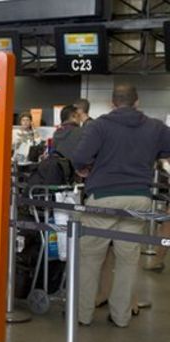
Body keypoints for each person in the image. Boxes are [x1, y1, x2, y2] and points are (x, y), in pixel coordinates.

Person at [71, 84, 170, 328]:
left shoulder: (99, 125)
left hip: (104, 197)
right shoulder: (155, 127)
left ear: (113, 103)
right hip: (139, 198)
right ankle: (121, 317)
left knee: (91, 257)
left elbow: (80, 158)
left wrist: (85, 169)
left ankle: (82, 315)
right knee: (127, 259)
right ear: (137, 102)